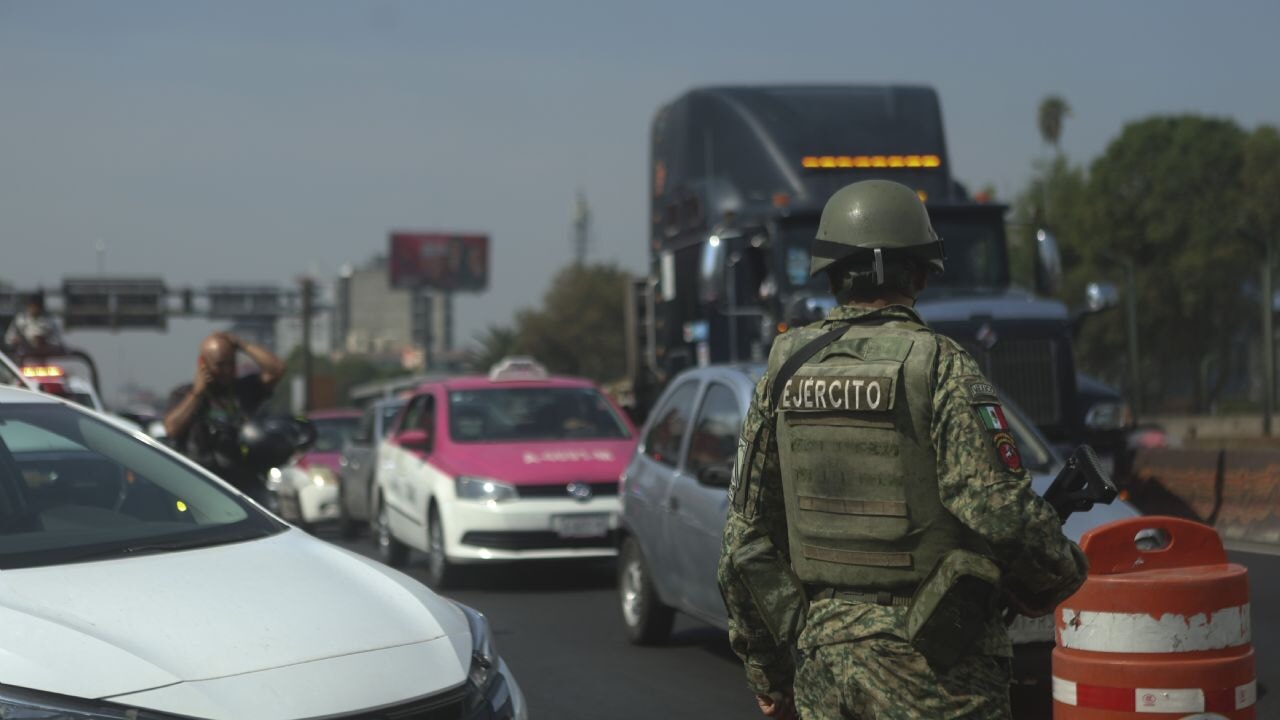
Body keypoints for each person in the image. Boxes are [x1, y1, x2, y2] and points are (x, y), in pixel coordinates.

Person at [717, 180, 1087, 719]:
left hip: (824, 665)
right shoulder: (939, 364)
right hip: (937, 671)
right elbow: (997, 510)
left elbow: (742, 544)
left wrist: (769, 671)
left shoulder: (785, 368)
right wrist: (1060, 574)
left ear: (832, 273)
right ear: (918, 272)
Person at [163, 331, 285, 499]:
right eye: (220, 365)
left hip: (243, 484)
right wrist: (197, 393)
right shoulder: (184, 394)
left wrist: (242, 344)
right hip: (202, 484)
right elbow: (171, 428)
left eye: (230, 363)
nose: (227, 370)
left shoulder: (243, 390)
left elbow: (276, 369)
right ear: (203, 365)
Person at [4, 292, 64, 357]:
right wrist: (15, 340)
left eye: (36, 306)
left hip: (46, 355)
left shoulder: (49, 321)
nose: (33, 308)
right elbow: (8, 339)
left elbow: (57, 341)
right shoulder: (20, 320)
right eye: (31, 306)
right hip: (24, 355)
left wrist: (44, 341)